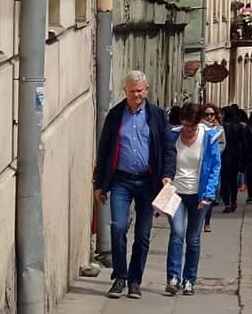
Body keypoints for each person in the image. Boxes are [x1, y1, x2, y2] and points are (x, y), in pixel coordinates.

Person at [93, 70, 175, 300]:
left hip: (148, 182)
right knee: (118, 227)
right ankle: (120, 276)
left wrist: (167, 175)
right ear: (125, 91)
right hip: (121, 180)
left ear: (146, 90)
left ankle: (135, 281)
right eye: (132, 91)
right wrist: (100, 183)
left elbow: (168, 149)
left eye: (140, 90)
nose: (136, 95)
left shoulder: (157, 116)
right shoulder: (116, 115)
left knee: (143, 234)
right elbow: (104, 149)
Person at [162, 103, 221, 295]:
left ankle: (189, 280)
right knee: (177, 233)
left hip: (199, 194)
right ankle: (173, 277)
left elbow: (214, 167)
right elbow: (166, 160)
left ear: (199, 123)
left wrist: (209, 194)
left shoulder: (209, 137)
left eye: (192, 126)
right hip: (176, 192)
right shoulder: (172, 136)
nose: (189, 130)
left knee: (193, 238)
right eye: (186, 125)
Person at [199, 105, 224, 232]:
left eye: (212, 114)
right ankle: (198, 219)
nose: (209, 117)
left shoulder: (219, 129)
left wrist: (214, 151)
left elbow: (222, 144)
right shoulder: (199, 127)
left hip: (212, 163)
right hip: (200, 165)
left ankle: (207, 221)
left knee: (210, 193)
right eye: (206, 114)